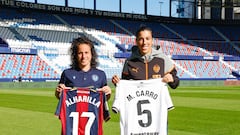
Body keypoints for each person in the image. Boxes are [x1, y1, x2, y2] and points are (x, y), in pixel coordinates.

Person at [112, 26, 179, 88]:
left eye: (147, 39)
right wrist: (117, 82)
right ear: (136, 41)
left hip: (157, 101)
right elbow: (125, 86)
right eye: (141, 39)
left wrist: (172, 79)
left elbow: (175, 84)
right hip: (137, 101)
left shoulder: (163, 59)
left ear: (152, 40)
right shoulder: (129, 62)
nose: (144, 42)